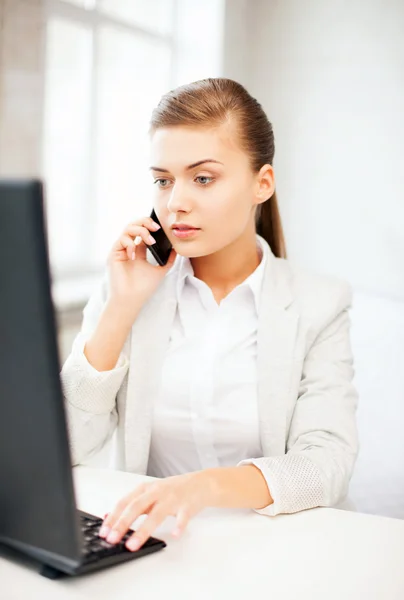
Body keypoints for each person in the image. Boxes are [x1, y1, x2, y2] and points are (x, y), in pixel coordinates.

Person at [61, 78, 359, 553]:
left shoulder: (318, 303)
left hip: (277, 547)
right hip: (155, 545)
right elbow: (64, 449)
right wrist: (121, 308)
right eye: (163, 179)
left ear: (262, 183)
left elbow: (325, 465)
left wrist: (199, 488)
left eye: (203, 178)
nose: (176, 201)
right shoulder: (128, 287)